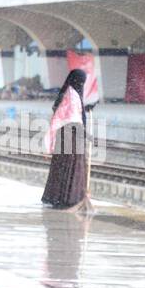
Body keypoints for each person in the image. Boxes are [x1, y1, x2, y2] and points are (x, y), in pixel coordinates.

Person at [41, 68, 92, 213]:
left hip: (67, 136)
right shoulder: (72, 95)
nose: (82, 84)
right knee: (72, 167)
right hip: (71, 136)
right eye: (82, 81)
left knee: (63, 167)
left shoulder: (70, 93)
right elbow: (72, 118)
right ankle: (69, 198)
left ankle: (58, 196)